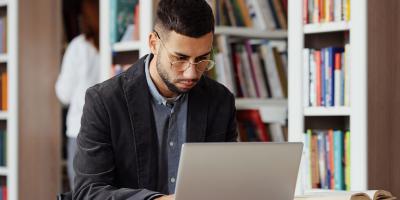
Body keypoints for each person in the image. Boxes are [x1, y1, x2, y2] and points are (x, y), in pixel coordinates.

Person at [73, 0, 238, 199]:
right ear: (153, 43)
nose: (192, 73)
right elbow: (88, 192)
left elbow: (225, 181)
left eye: (202, 58)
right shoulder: (104, 102)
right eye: (180, 58)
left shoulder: (220, 101)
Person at [55, 0, 100, 189]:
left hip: (79, 131)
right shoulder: (109, 44)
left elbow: (63, 93)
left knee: (81, 192)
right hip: (107, 131)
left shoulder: (79, 46)